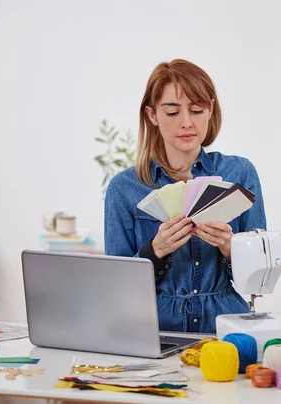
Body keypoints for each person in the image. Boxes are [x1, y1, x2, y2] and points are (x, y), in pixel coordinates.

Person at [103, 59, 266, 334]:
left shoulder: (240, 172)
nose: (187, 123)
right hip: (153, 329)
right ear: (152, 115)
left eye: (197, 110)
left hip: (227, 324)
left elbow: (260, 278)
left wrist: (232, 247)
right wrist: (154, 251)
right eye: (172, 112)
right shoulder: (124, 188)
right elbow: (116, 287)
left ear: (210, 110)